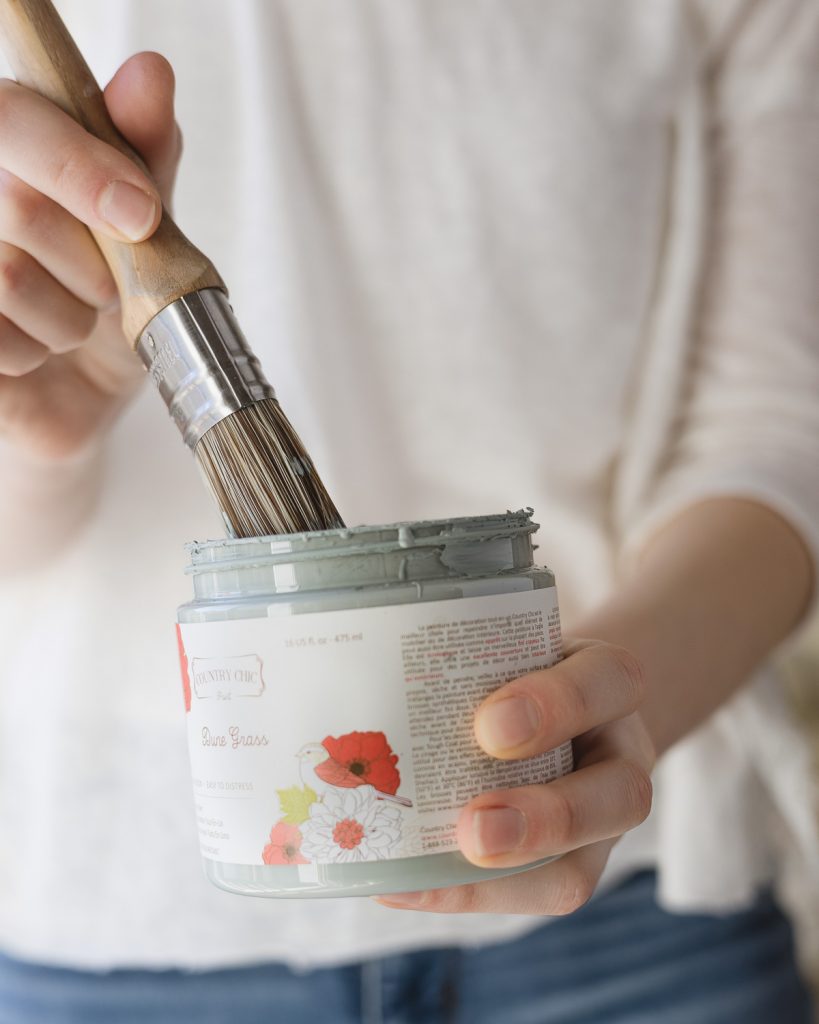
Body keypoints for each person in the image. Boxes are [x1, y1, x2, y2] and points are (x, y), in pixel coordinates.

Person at [0, 1, 817, 1021]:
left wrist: (615, 715)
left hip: (631, 923)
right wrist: (42, 436)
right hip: (119, 924)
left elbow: (773, 441)